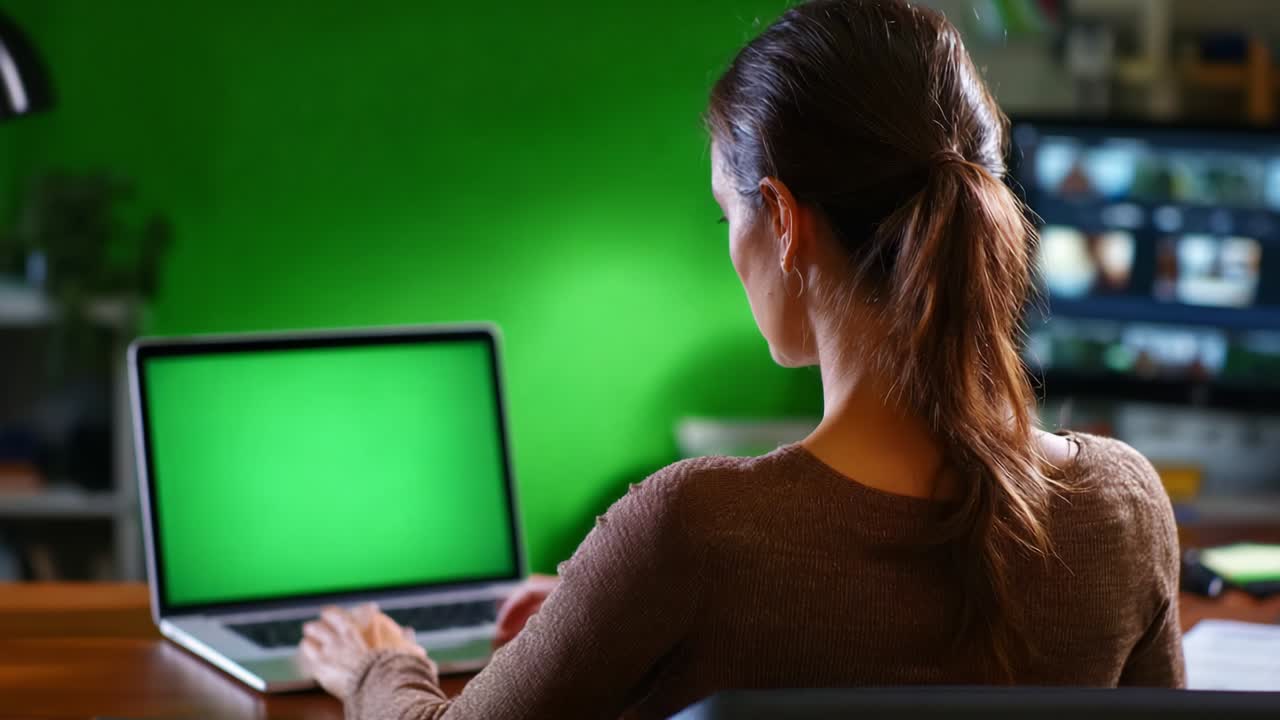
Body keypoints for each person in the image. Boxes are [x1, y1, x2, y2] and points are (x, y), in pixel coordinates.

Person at [298, 0, 1184, 716]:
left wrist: (383, 665)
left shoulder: (696, 529)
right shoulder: (1126, 508)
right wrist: (589, 616)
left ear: (786, 222)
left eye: (729, 215)